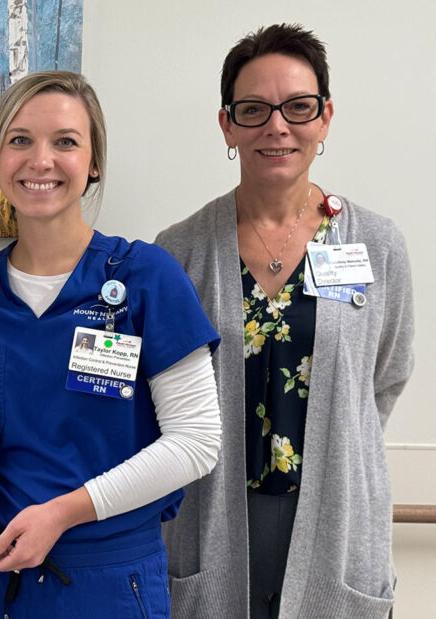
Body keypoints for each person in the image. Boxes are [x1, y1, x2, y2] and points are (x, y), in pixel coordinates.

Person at [0, 71, 222, 618]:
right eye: (20, 140)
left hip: (107, 582)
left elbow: (196, 441)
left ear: (94, 161)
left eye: (65, 141)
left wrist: (62, 513)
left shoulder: (145, 277)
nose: (41, 160)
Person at [156, 24, 414, 619]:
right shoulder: (179, 253)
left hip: (334, 516)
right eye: (254, 110)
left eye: (298, 107)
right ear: (227, 125)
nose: (277, 126)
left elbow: (385, 376)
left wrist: (332, 443)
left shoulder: (376, 244)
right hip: (214, 516)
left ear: (324, 117)